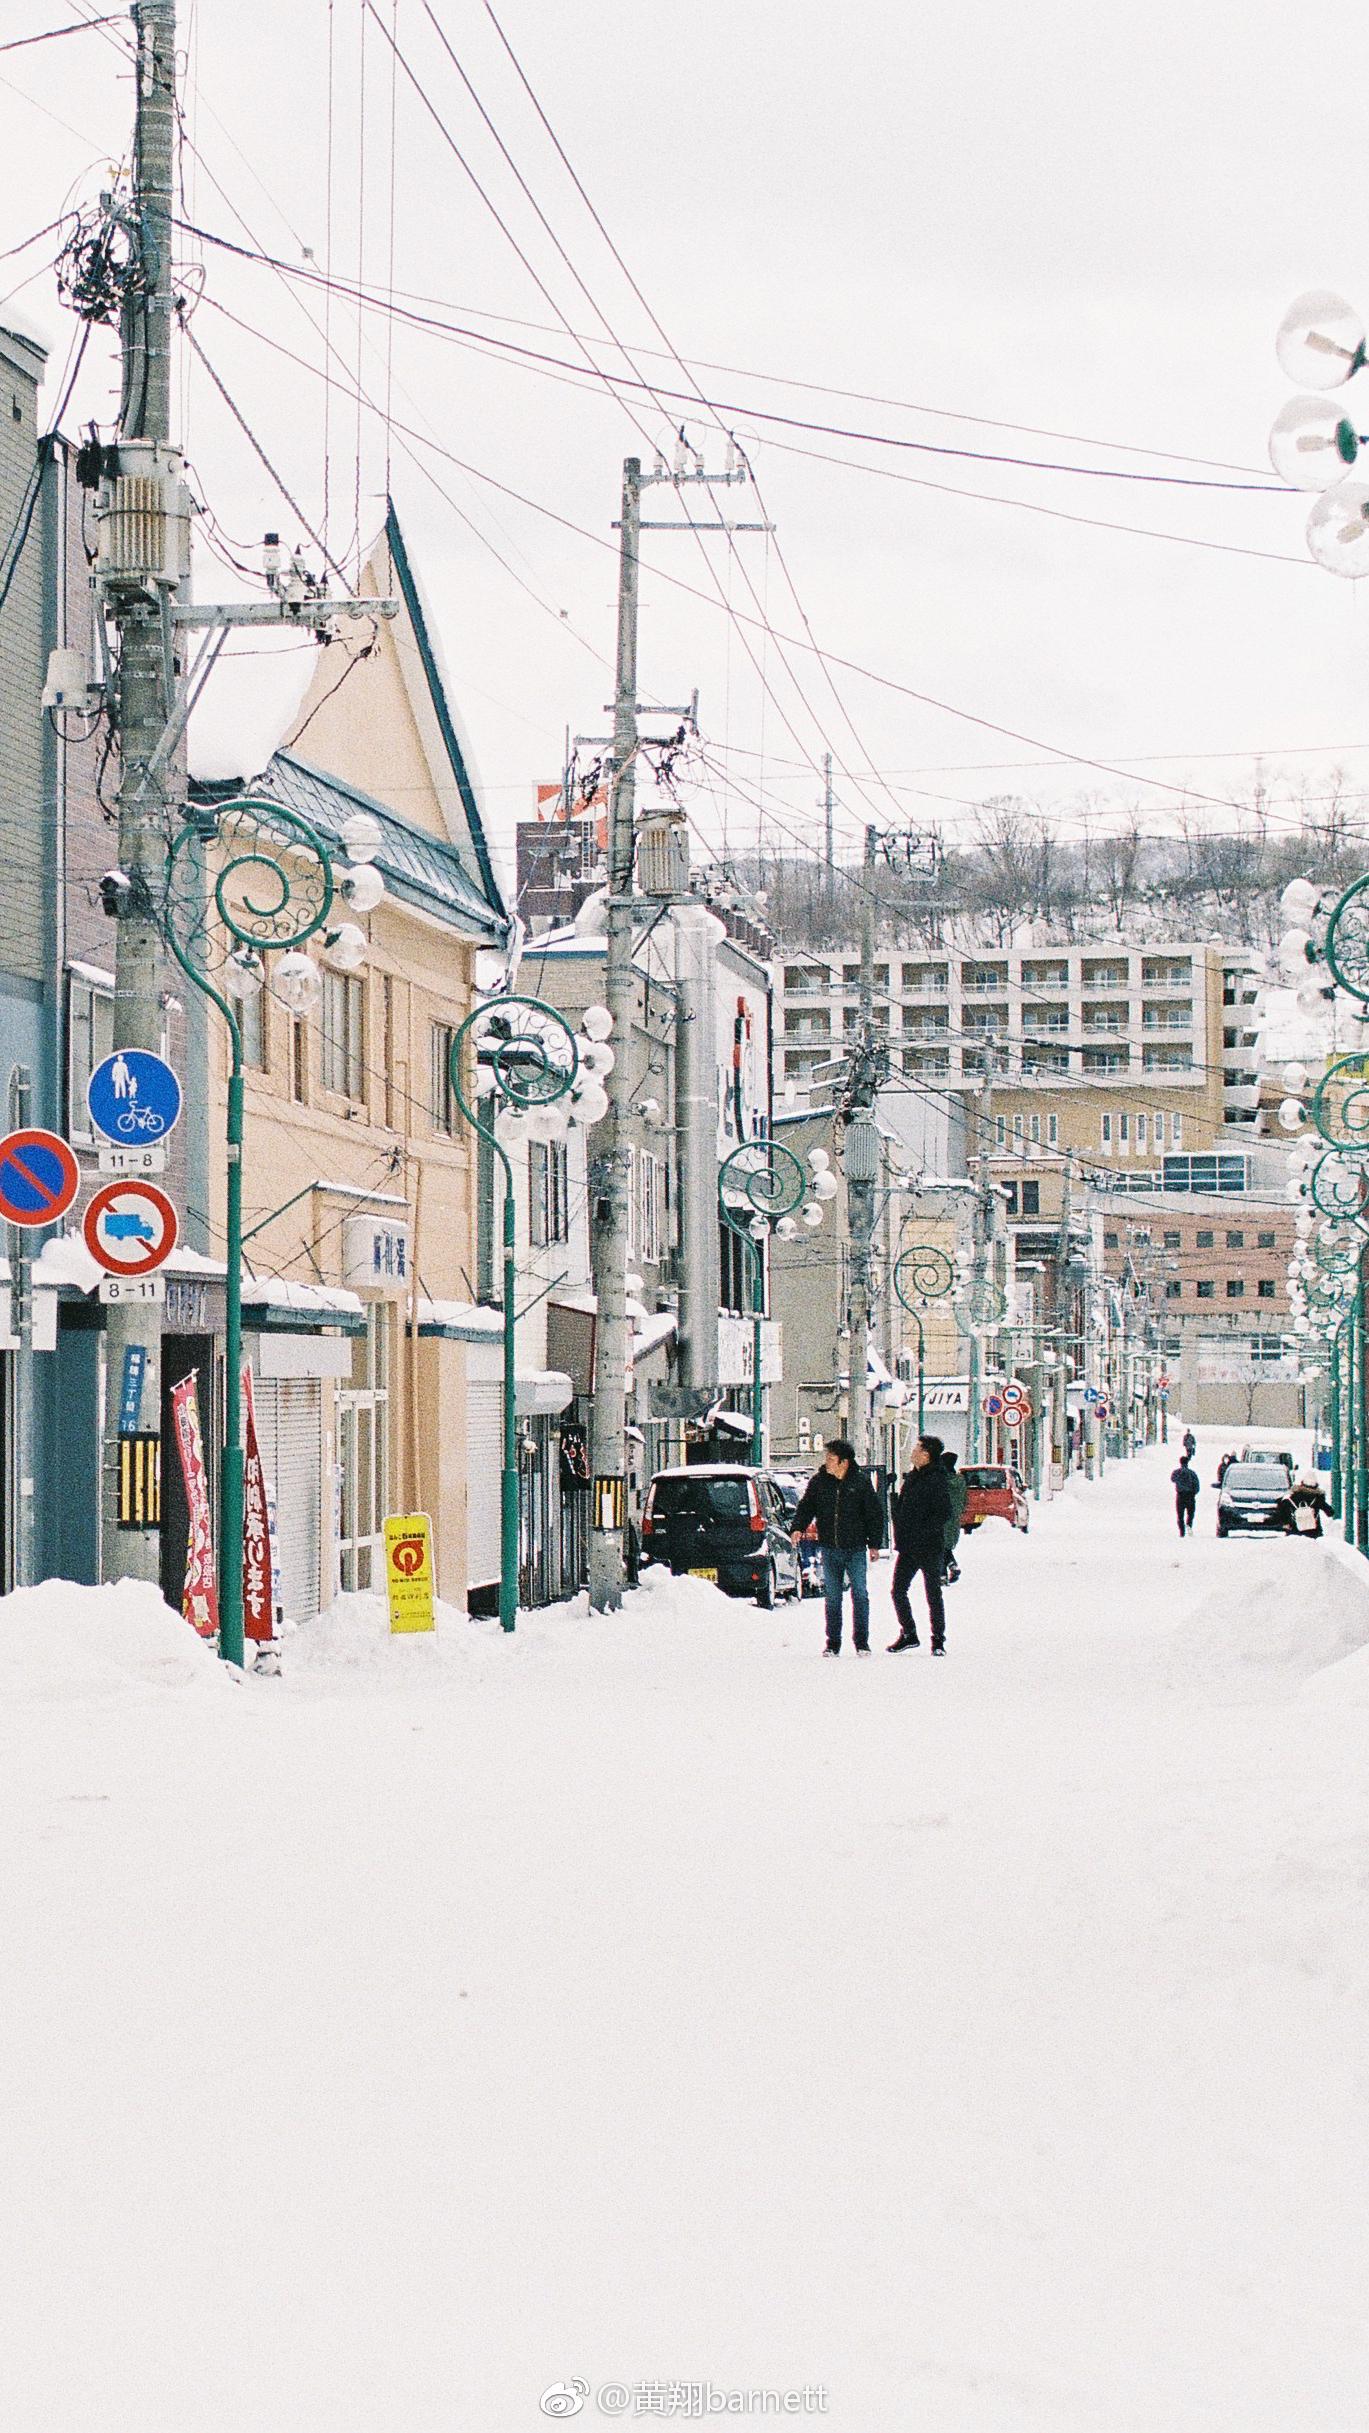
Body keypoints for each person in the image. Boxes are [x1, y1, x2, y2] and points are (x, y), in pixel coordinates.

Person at [792, 1438, 885, 1657]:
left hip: (855, 1548)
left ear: (844, 1462)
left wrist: (874, 1545)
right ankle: (833, 1643)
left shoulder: (860, 1483)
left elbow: (874, 1514)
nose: (827, 1462)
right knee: (832, 1597)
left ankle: (861, 1642)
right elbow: (806, 1506)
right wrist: (798, 1527)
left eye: (831, 1459)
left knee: (860, 1594)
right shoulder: (819, 1482)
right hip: (829, 1547)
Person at [889, 1436, 953, 1654]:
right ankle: (909, 1633)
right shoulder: (913, 1477)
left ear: (926, 1454)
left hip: (929, 1545)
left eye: (917, 1448)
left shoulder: (936, 1478)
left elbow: (944, 1512)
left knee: (932, 1592)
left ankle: (938, 1640)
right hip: (908, 1546)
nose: (913, 1451)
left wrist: (924, 1530)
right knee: (898, 1590)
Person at [1273, 1474, 1331, 1540]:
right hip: (1314, 1533)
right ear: (1316, 1485)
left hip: (1295, 1532)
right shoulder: (1318, 1498)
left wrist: (1285, 1523)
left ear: (1302, 1483)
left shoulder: (1292, 1497)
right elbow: (1330, 1513)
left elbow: (1281, 1511)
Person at [941, 1447, 968, 1584]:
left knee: (939, 1546)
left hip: (941, 1517)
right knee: (946, 1546)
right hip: (955, 1518)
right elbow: (964, 1500)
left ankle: (943, 1575)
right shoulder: (960, 1481)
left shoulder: (941, 1480)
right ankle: (952, 1566)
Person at [1171, 1455, 1200, 1537]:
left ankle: (1181, 1531)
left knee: (1180, 1515)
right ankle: (1189, 1525)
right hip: (1190, 1496)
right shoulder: (1192, 1473)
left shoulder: (1176, 1472)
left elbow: (1172, 1479)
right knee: (1190, 1514)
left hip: (1180, 1496)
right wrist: (1194, 1493)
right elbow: (1197, 1485)